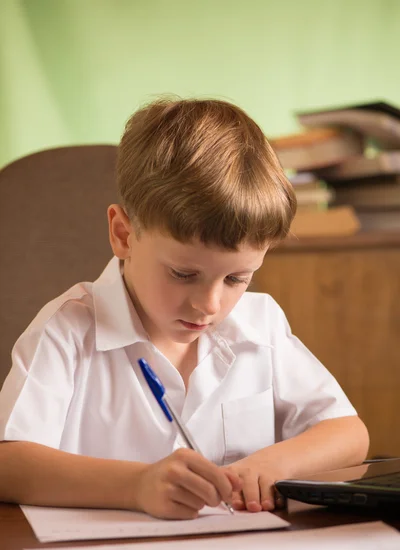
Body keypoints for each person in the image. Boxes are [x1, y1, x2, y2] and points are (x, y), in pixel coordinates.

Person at [0, 98, 369, 520]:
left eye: (236, 279)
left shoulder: (260, 324)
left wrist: (272, 465)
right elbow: (8, 464)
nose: (209, 305)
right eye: (182, 273)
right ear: (124, 235)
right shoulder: (66, 330)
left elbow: (347, 432)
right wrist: (136, 486)